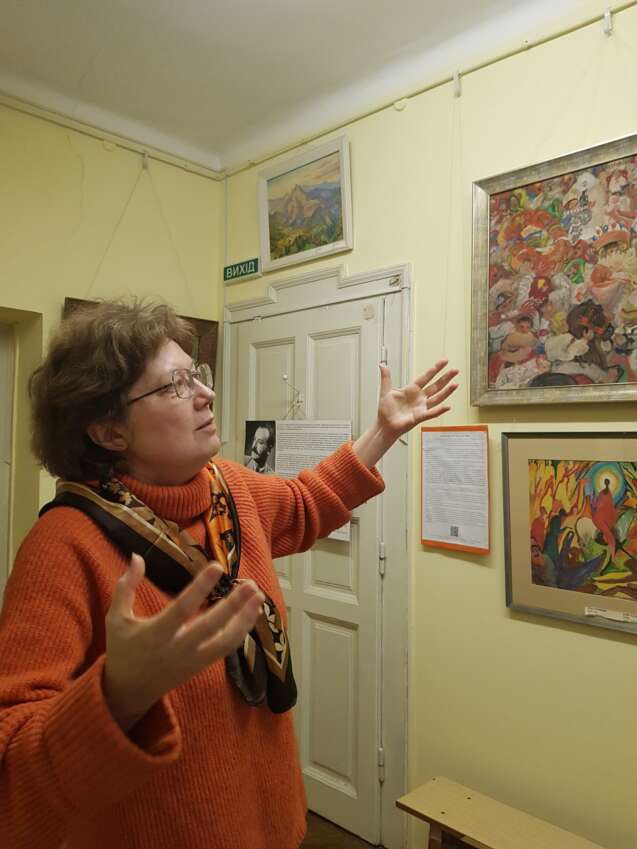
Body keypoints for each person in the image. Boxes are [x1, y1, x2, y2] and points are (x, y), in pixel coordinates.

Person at [0, 299, 458, 849]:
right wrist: (117, 696)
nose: (205, 394)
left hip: (274, 826)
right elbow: (12, 769)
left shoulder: (228, 488)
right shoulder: (64, 544)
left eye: (196, 373)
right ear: (109, 431)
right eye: (174, 385)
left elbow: (305, 502)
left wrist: (381, 432)